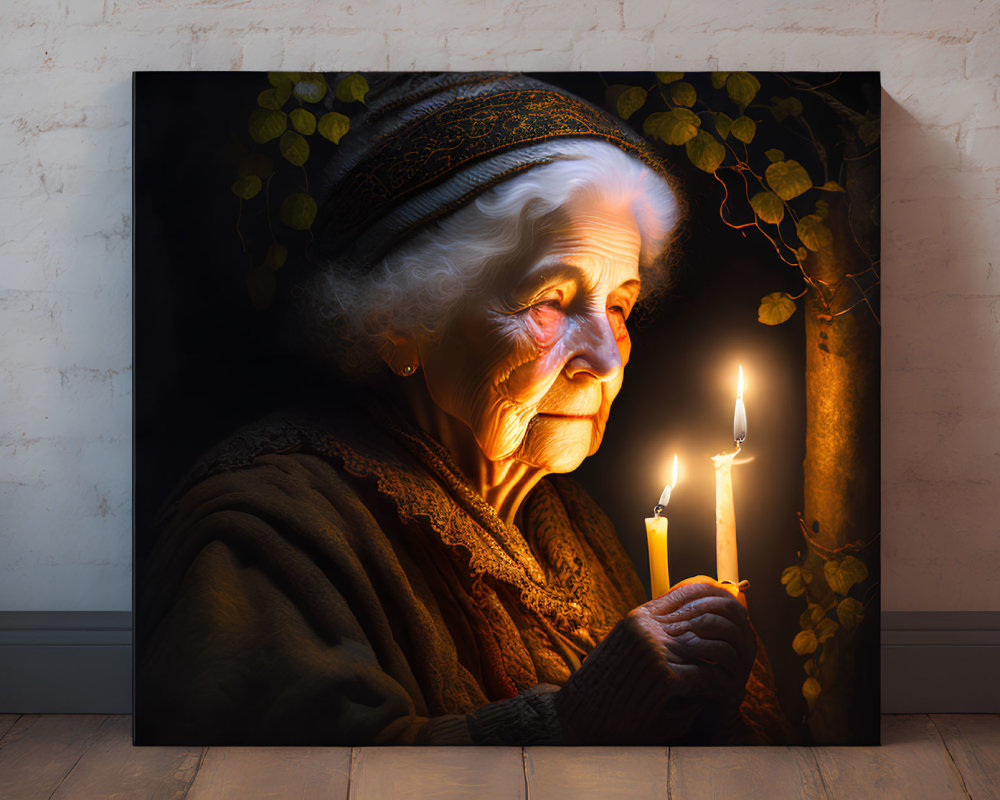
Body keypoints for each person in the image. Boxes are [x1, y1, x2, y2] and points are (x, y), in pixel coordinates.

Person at [135, 72, 789, 746]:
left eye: (618, 306)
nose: (608, 358)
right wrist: (576, 722)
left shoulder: (558, 522)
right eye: (551, 302)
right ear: (402, 322)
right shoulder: (264, 536)